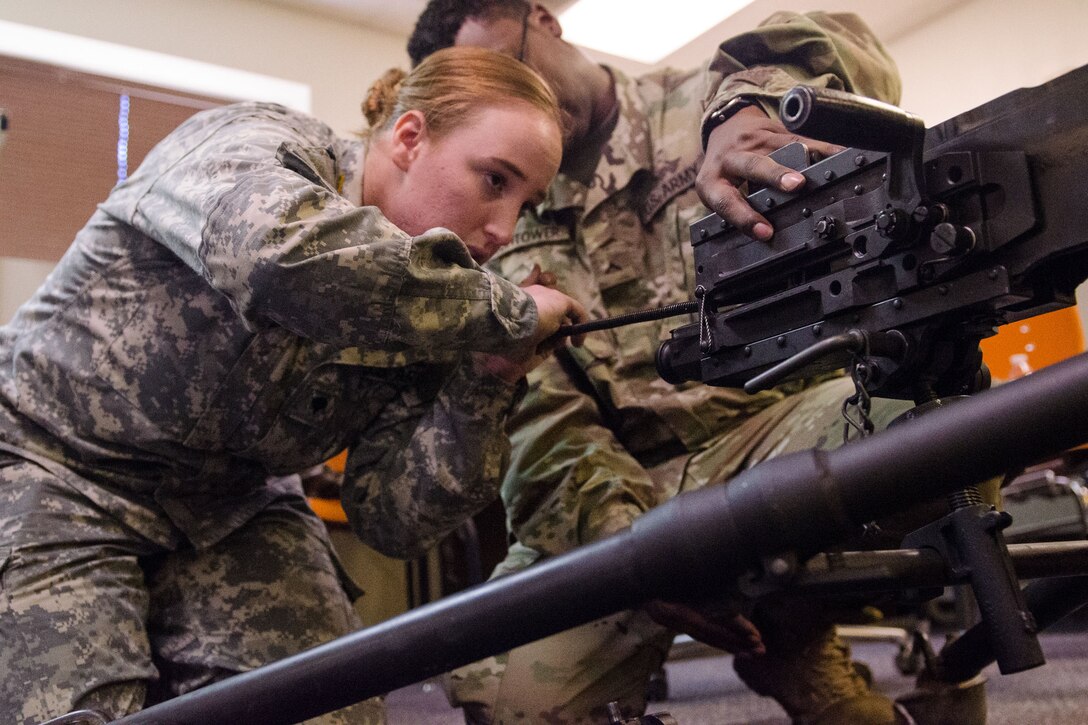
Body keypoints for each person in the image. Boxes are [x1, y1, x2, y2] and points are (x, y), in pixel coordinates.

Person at [407, 4, 979, 724]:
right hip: (622, 486)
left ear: (543, 21)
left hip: (783, 436)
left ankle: (800, 634)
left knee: (948, 432)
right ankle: (793, 646)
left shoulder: (710, 98)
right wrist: (639, 557)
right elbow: (547, 424)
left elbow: (846, 47)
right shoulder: (502, 210)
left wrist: (756, 105)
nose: (517, 99)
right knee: (511, 697)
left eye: (512, 66)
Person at [0, 45, 588, 724]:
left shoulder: (443, 298)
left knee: (332, 711)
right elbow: (282, 260)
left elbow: (390, 515)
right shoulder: (257, 144)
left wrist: (487, 379)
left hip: (231, 505)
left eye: (526, 202)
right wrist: (506, 312)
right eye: (494, 181)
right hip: (53, 465)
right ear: (409, 137)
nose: (503, 230)